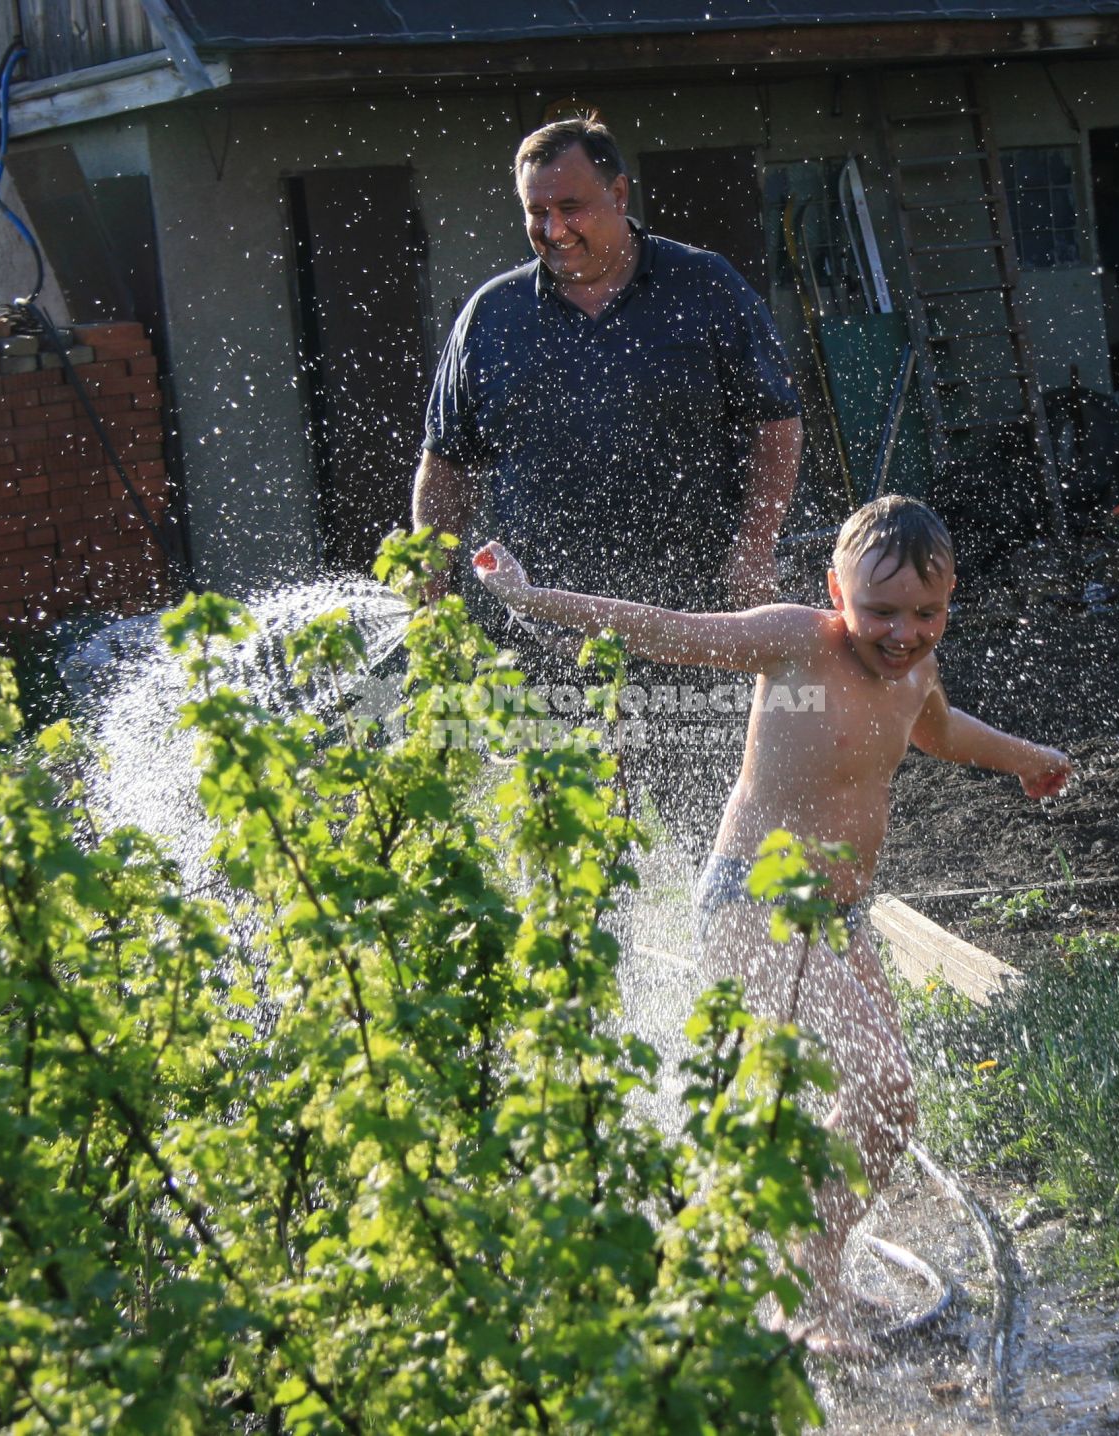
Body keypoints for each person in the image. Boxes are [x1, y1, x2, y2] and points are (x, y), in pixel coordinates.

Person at [471, 495, 1072, 1360]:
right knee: (875, 1084)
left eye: (927, 613)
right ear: (835, 591)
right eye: (880, 611)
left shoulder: (915, 670)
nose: (903, 632)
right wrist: (534, 600)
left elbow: (941, 733)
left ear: (949, 602)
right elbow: (664, 628)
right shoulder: (798, 642)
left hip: (837, 917)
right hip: (755, 904)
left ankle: (808, 1262)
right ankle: (800, 1284)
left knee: (886, 1104)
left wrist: (1025, 759)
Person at [412, 115, 804, 846]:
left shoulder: (703, 287)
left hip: (693, 620)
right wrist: (428, 582)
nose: (553, 229)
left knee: (722, 839)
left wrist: (755, 543)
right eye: (536, 212)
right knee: (570, 858)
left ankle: (742, 958)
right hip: (545, 631)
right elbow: (447, 465)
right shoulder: (492, 318)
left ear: (619, 194)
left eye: (571, 207)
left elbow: (775, 422)